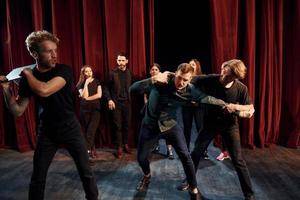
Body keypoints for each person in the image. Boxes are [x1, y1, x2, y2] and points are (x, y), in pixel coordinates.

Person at [0, 31, 98, 200]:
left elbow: (44, 90)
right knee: (38, 177)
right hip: (46, 131)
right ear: (35, 54)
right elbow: (17, 110)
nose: (54, 55)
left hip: (70, 127)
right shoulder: (28, 80)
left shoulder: (64, 70)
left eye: (55, 50)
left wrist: (28, 74)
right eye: (48, 51)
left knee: (86, 173)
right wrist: (6, 90)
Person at [130, 63, 228, 200]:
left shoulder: (190, 90)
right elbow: (132, 89)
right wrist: (152, 79)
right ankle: (147, 176)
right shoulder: (160, 81)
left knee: (186, 157)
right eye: (179, 78)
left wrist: (225, 104)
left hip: (170, 125)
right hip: (150, 126)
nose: (181, 82)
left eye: (185, 80)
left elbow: (206, 98)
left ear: (189, 79)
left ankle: (193, 188)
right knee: (141, 158)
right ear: (175, 74)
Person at [178, 59, 255, 200]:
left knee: (238, 161)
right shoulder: (210, 79)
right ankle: (189, 181)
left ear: (235, 77)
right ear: (223, 67)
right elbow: (190, 78)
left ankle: (249, 195)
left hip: (230, 126)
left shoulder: (241, 88)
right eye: (224, 72)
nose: (224, 77)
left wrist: (235, 106)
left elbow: (250, 107)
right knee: (195, 154)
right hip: (210, 124)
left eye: (228, 76)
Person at [104, 52, 132, 159]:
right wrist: (109, 99)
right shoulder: (112, 73)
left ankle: (125, 144)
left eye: (122, 60)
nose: (120, 62)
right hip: (116, 103)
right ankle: (119, 147)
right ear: (117, 61)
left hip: (127, 103)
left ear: (126, 61)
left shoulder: (129, 73)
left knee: (126, 124)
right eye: (119, 60)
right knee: (117, 126)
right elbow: (106, 87)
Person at [145, 63, 174, 159]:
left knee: (166, 130)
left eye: (156, 69)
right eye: (152, 69)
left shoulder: (163, 80)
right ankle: (156, 146)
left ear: (159, 71)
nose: (154, 71)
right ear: (150, 71)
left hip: (163, 110)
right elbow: (145, 95)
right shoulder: (148, 82)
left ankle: (170, 151)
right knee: (154, 129)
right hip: (152, 110)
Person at [181, 59, 208, 159]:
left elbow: (204, 92)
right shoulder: (185, 77)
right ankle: (186, 150)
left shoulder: (201, 78)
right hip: (187, 106)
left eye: (193, 64)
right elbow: (181, 90)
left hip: (198, 106)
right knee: (186, 128)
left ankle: (203, 150)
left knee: (200, 128)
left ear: (197, 66)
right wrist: (188, 100)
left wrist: (197, 101)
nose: (191, 66)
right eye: (189, 64)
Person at [76, 65, 102, 160]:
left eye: (90, 71)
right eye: (86, 71)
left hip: (95, 109)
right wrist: (86, 83)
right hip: (85, 110)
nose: (89, 73)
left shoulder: (97, 81)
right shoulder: (80, 84)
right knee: (88, 131)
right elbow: (84, 95)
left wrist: (87, 98)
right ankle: (92, 148)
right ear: (83, 73)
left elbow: (99, 95)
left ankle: (86, 151)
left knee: (91, 130)